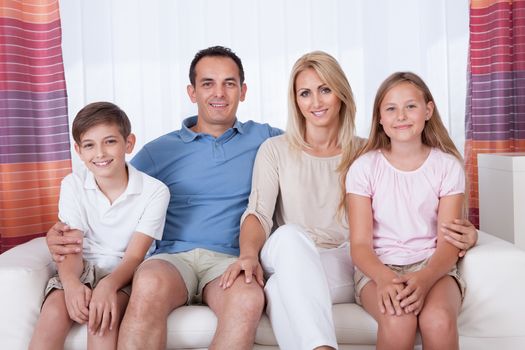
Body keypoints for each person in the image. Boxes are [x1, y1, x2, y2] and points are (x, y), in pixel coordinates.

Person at [220, 53, 478, 350]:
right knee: (291, 237)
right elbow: (259, 213)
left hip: (344, 260)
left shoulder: (364, 154)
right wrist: (248, 254)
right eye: (305, 93)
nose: (316, 102)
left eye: (325, 90)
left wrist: (466, 234)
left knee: (280, 289)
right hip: (290, 253)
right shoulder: (275, 150)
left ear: (341, 94)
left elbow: (406, 207)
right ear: (296, 101)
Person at [45, 46, 282, 350]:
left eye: (229, 83)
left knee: (249, 298)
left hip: (231, 260)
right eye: (208, 83)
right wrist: (59, 234)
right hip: (170, 259)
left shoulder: (267, 139)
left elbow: (315, 148)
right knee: (149, 282)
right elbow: (104, 187)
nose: (219, 93)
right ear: (192, 92)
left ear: (243, 91)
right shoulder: (160, 151)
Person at [29, 102, 170, 350]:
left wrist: (107, 286)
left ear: (129, 143)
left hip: (123, 273)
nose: (100, 153)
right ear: (78, 151)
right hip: (80, 267)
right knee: (52, 313)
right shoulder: (72, 185)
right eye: (89, 145)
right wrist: (72, 284)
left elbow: (135, 255)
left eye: (110, 141)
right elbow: (70, 246)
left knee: (102, 323)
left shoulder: (154, 191)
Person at [345, 72, 466, 350]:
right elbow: (360, 245)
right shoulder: (364, 168)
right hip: (379, 269)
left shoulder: (447, 167)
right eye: (391, 108)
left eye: (410, 106)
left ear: (428, 111)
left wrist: (424, 279)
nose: (401, 116)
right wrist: (386, 278)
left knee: (438, 320)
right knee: (399, 319)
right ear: (380, 118)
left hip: (434, 267)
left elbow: (448, 242)